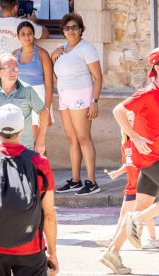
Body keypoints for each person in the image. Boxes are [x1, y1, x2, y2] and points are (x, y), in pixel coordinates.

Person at [100, 47, 159, 274]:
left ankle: (112, 253)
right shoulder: (147, 93)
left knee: (139, 207)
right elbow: (117, 111)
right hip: (150, 158)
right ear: (157, 67)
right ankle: (140, 220)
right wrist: (133, 135)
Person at [0, 104, 59, 276]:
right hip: (32, 249)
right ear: (22, 129)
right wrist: (52, 252)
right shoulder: (40, 162)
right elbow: (49, 214)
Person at [51, 13, 103, 196]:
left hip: (82, 95)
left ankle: (92, 182)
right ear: (63, 31)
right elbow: (58, 70)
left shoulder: (86, 48)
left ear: (81, 30)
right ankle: (75, 180)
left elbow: (98, 77)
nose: (71, 31)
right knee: (72, 139)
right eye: (67, 28)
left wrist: (94, 102)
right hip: (64, 96)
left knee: (83, 137)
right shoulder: (62, 48)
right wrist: (53, 56)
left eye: (74, 27)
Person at [96, 112, 159, 249]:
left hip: (142, 184)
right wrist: (118, 172)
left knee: (138, 212)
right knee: (135, 213)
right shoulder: (126, 145)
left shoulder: (141, 142)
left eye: (132, 120)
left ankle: (150, 239)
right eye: (127, 120)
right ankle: (152, 239)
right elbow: (129, 164)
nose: (130, 123)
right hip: (131, 184)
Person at [0, 53, 49, 154]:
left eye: (16, 67)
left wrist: (40, 141)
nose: (13, 71)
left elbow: (44, 113)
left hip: (24, 149)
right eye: (8, 68)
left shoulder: (27, 90)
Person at [0, 0, 49, 82]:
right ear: (16, 7)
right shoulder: (24, 24)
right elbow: (45, 34)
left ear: (0, 7)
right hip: (19, 81)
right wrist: (32, 23)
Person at [13, 21, 54, 141]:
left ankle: (41, 160)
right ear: (18, 36)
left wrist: (46, 110)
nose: (26, 37)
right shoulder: (14, 55)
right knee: (22, 141)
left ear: (34, 34)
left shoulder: (42, 54)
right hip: (19, 100)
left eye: (30, 33)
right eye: (23, 34)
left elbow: (49, 85)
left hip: (38, 99)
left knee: (37, 142)